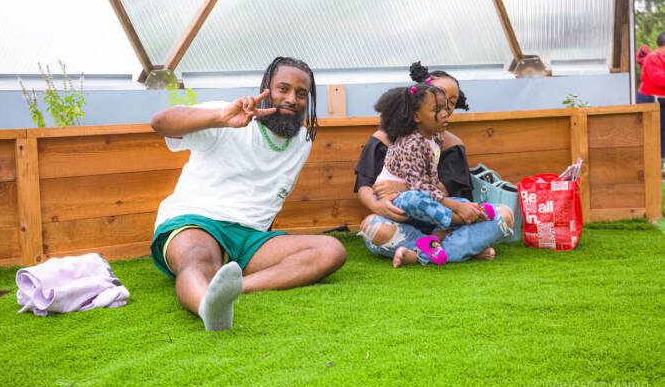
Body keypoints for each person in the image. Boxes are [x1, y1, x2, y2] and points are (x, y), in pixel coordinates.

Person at [149, 56, 347, 331]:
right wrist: (219, 118)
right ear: (266, 87)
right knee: (199, 257)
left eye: (301, 94)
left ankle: (231, 290)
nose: (292, 99)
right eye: (283, 89)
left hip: (250, 237)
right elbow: (160, 122)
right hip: (196, 221)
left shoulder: (302, 141)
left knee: (331, 250)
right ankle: (207, 305)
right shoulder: (227, 116)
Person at [355, 65, 514, 266]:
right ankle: (461, 250)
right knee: (373, 228)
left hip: (444, 222)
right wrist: (377, 205)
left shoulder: (450, 144)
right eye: (437, 101)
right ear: (417, 106)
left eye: (450, 103)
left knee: (505, 215)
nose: (445, 108)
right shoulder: (386, 140)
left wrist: (404, 187)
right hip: (397, 223)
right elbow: (364, 186)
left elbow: (453, 193)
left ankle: (421, 253)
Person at [636, 32, 665, 170]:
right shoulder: (653, 58)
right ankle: (654, 163)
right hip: (649, 99)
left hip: (659, 100)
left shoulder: (660, 57)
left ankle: (661, 161)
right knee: (653, 131)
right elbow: (658, 78)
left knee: (662, 131)